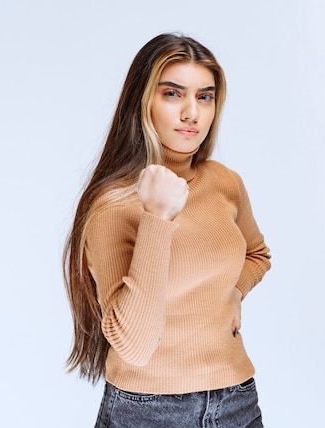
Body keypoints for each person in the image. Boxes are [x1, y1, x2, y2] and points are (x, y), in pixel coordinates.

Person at [63, 33, 272, 427]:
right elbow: (133, 347)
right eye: (173, 94)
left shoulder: (224, 182)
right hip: (148, 410)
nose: (192, 113)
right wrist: (157, 218)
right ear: (143, 102)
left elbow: (257, 254)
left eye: (205, 97)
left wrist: (233, 293)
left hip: (237, 398)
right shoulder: (113, 205)